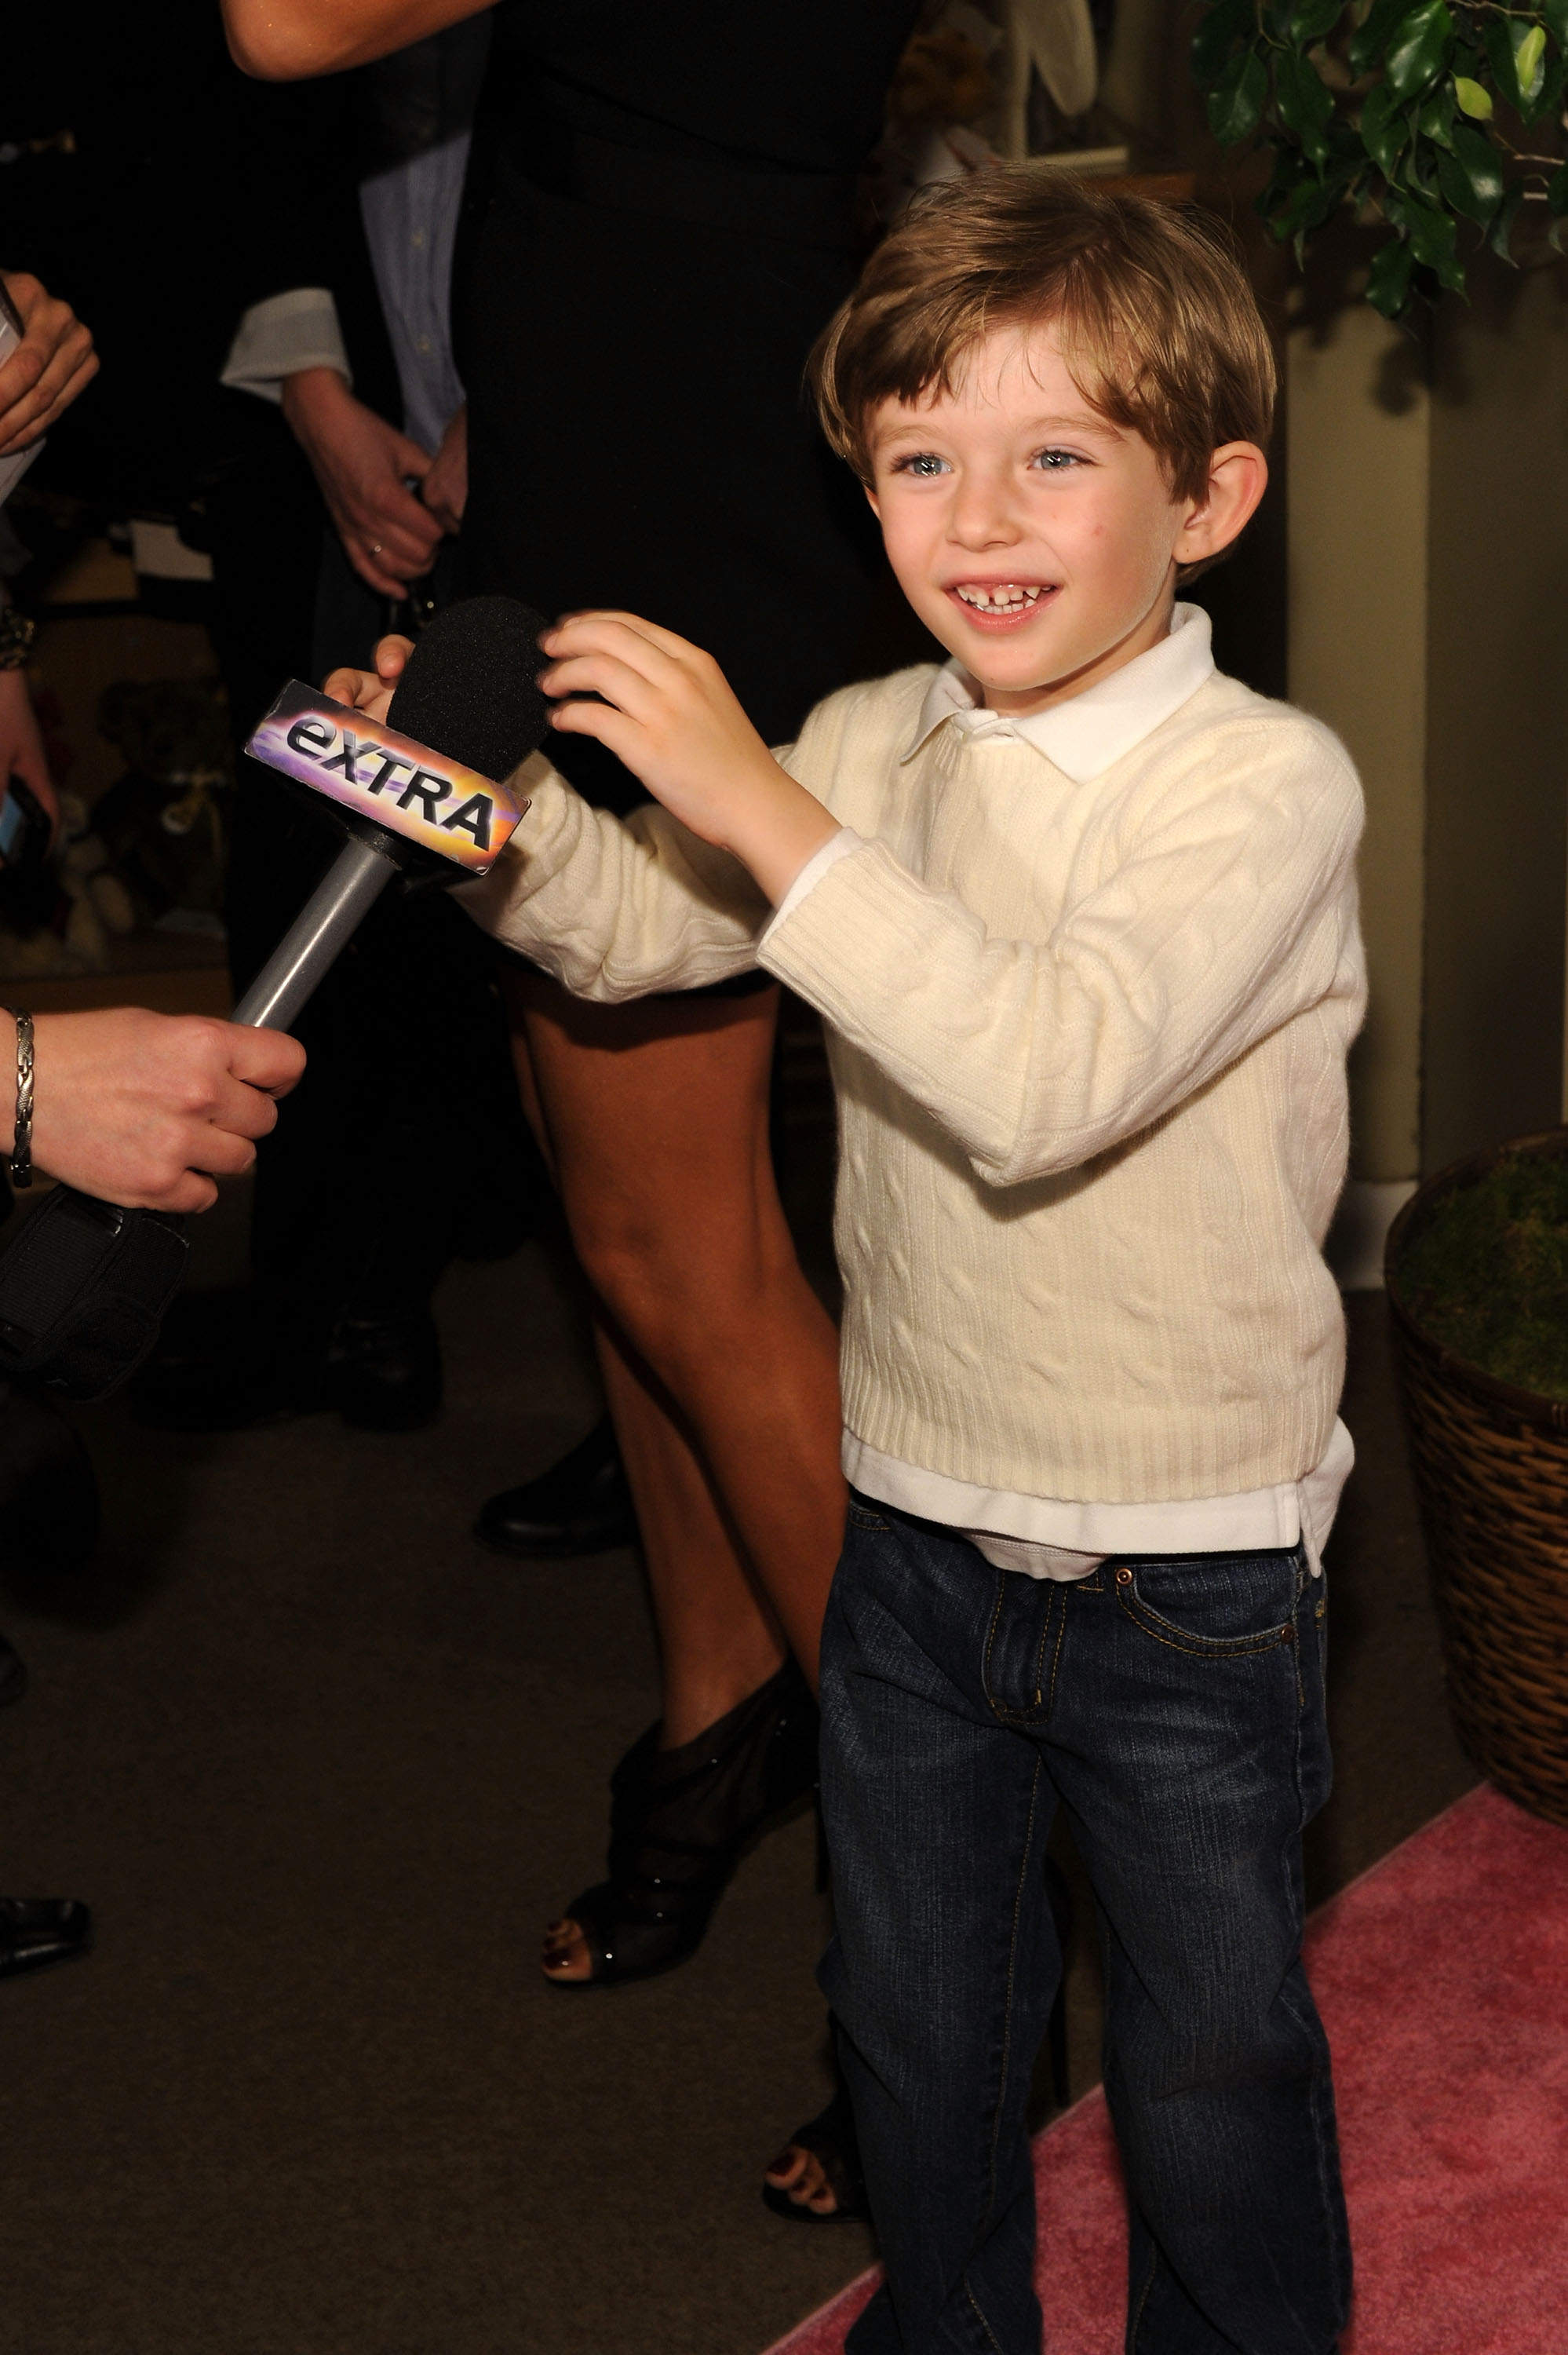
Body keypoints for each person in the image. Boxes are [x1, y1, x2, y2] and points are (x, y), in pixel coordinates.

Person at [331, 172, 1365, 2340]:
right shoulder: (876, 742)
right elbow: (657, 944)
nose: (976, 512)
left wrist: (754, 801)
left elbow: (1045, 1072)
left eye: (1055, 453)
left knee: (1209, 2069)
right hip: (907, 1532)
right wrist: (475, 819)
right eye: (919, 457)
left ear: (1210, 497)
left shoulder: (1263, 786)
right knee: (918, 2037)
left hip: (1183, 1571)